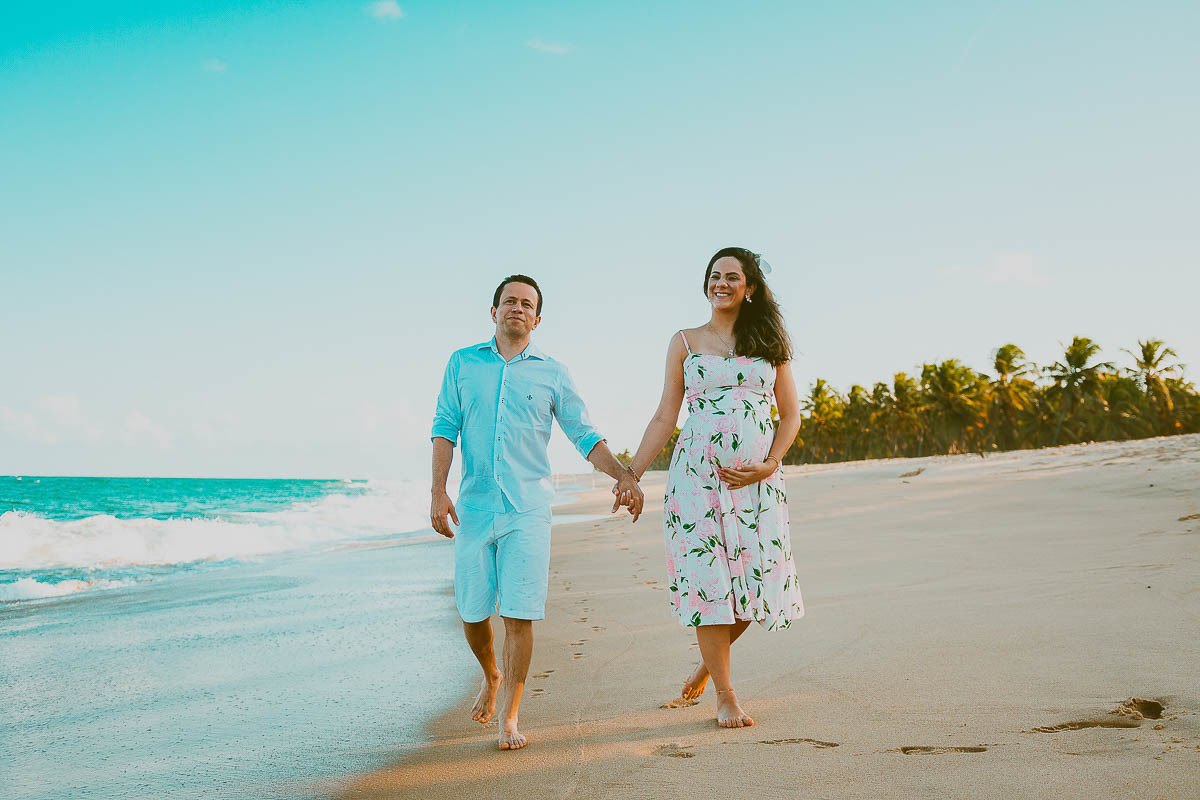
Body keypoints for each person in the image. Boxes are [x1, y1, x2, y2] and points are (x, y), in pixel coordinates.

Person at [430, 274, 644, 751]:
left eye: (527, 304)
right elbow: (444, 426)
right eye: (510, 301)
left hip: (527, 509)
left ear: (538, 319)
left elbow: (583, 434)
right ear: (494, 312)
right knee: (472, 613)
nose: (518, 309)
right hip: (473, 507)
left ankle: (510, 716)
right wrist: (437, 491)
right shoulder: (462, 363)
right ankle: (491, 673)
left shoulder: (553, 373)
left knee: (519, 614)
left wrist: (623, 475)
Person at [625, 247, 804, 728]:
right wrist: (632, 473)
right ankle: (726, 696)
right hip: (697, 483)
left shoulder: (769, 342)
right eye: (714, 275)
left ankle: (708, 664)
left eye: (731, 276)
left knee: (757, 586)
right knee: (710, 584)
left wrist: (769, 465)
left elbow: (790, 415)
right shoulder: (684, 342)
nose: (720, 283)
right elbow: (665, 416)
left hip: (756, 486)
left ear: (750, 287)